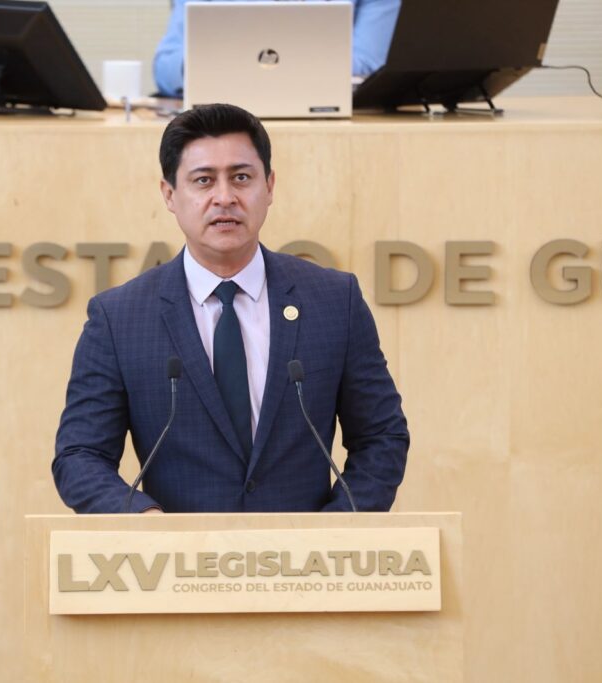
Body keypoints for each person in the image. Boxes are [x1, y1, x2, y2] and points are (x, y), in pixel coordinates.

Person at [52, 103, 408, 513]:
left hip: (309, 552)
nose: (225, 198)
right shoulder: (119, 318)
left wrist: (335, 529)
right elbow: (80, 455)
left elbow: (382, 437)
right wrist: (144, 522)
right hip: (175, 551)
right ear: (169, 195)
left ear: (269, 186)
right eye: (203, 180)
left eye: (241, 177)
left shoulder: (333, 300)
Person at [152, 0, 402, 97]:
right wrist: (210, 61)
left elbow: (370, 62)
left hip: (331, 118)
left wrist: (249, 63)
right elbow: (166, 68)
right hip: (222, 120)